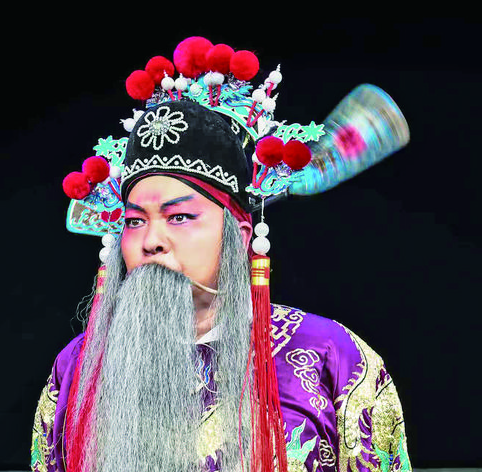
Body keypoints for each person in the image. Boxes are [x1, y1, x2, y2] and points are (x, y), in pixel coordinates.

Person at [30, 37, 412, 472]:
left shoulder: (330, 355)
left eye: (179, 217)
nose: (151, 240)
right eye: (134, 221)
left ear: (240, 236)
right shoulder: (77, 369)